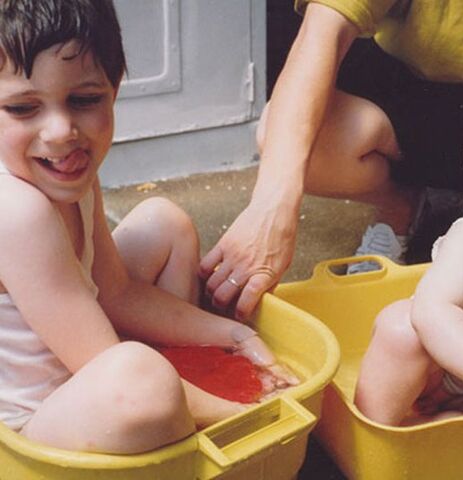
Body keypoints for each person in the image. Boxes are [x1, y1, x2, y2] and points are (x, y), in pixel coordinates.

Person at [0, 0, 296, 454]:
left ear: (114, 89)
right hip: (34, 426)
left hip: (97, 371)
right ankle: (175, 414)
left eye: (84, 100)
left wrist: (235, 335)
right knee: (143, 382)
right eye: (22, 108)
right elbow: (101, 360)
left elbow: (115, 293)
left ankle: (172, 398)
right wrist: (249, 413)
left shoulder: (69, 176)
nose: (60, 131)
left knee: (166, 223)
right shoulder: (18, 211)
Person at [199, 0, 463, 320]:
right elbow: (321, 31)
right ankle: (400, 208)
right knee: (288, 135)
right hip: (416, 81)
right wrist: (271, 209)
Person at [354, 105, 463, 426]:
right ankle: (377, 435)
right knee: (400, 328)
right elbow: (434, 312)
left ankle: (446, 425)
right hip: (436, 372)